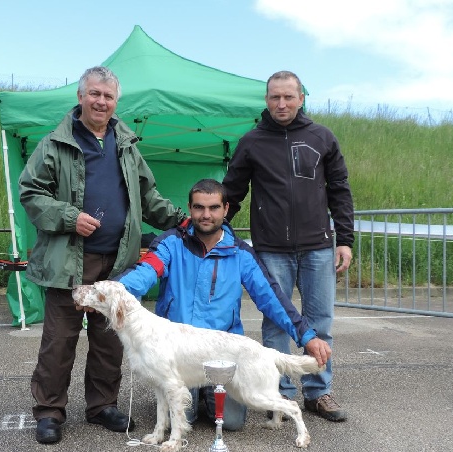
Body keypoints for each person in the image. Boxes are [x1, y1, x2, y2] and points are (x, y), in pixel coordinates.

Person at [19, 66, 186, 444]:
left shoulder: (126, 145)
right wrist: (68, 217)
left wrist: (183, 221)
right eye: (94, 94)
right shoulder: (55, 144)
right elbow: (31, 192)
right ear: (80, 97)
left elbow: (149, 196)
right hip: (68, 261)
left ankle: (102, 406)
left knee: (110, 340)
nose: (101, 102)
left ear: (115, 102)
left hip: (117, 263)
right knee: (59, 341)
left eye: (108, 96)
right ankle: (48, 412)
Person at [116, 178, 332, 430]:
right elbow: (143, 274)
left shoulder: (241, 254)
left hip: (224, 354)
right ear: (189, 207)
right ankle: (197, 396)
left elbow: (273, 299)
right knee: (186, 414)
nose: (205, 215)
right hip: (180, 352)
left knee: (231, 423)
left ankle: (208, 394)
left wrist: (307, 336)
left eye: (213, 208)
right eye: (198, 207)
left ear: (226, 209)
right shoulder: (170, 244)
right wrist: (109, 291)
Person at [222, 70, 354, 422]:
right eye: (274, 97)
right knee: (276, 324)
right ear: (266, 100)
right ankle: (278, 393)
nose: (281, 103)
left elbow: (340, 190)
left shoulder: (322, 137)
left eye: (288, 97)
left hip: (318, 248)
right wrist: (214, 231)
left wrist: (345, 241)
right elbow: (232, 192)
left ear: (301, 98)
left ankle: (319, 392)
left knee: (320, 322)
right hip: (271, 249)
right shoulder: (251, 141)